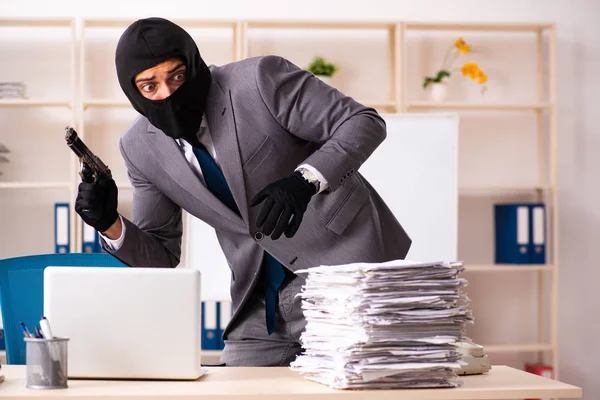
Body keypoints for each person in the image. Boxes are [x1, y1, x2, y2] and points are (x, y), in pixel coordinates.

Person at [75, 17, 411, 367]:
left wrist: (304, 180)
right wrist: (109, 223)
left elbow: (361, 122)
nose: (168, 94)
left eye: (177, 76)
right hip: (258, 305)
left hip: (343, 274)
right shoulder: (139, 148)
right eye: (150, 87)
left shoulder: (260, 80)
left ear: (193, 64)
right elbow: (161, 255)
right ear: (133, 92)